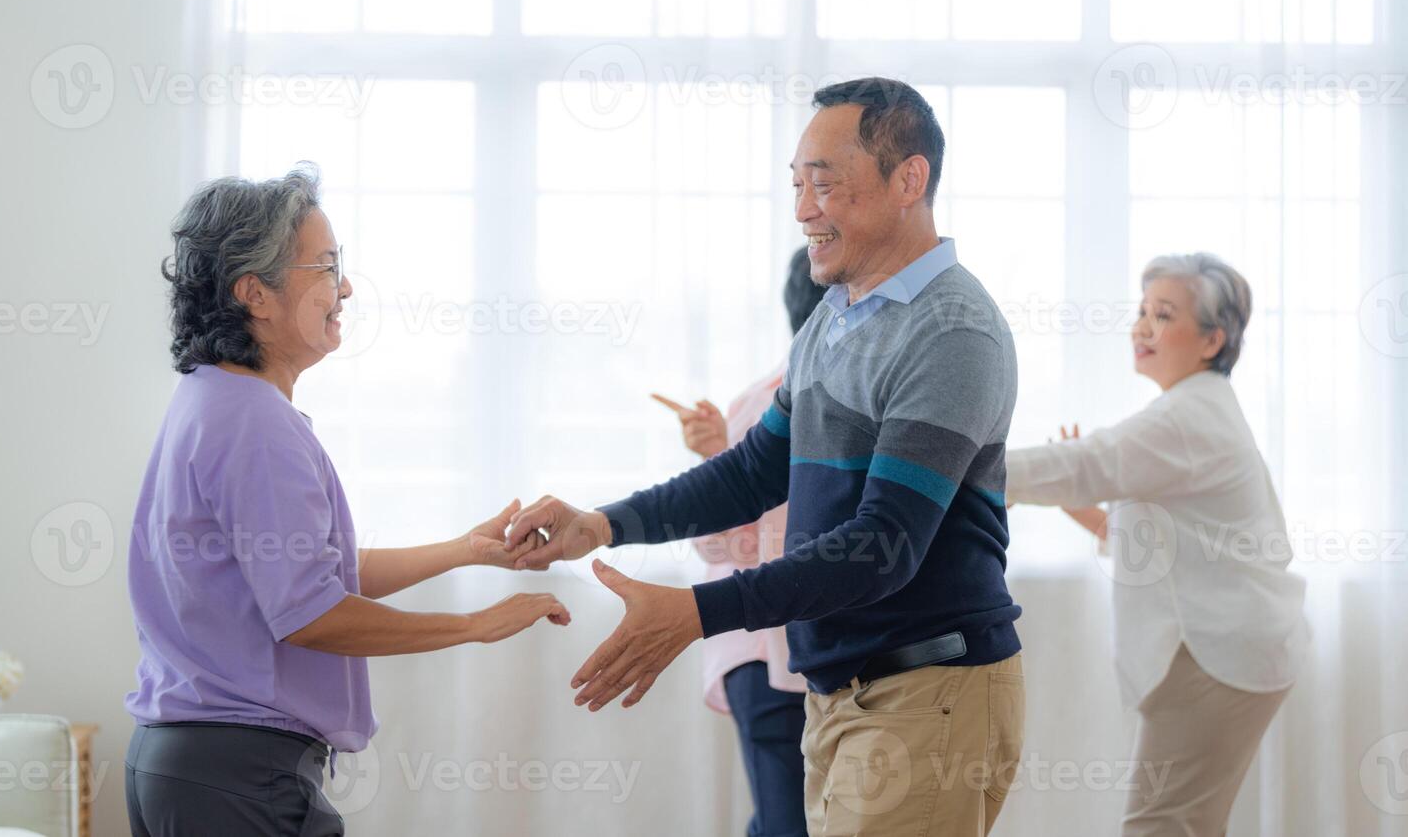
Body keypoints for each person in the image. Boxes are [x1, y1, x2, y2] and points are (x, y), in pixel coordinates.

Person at [506, 77, 1026, 835]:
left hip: (926, 690)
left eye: (825, 184)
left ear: (908, 179)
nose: (803, 209)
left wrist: (697, 612)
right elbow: (753, 472)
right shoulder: (832, 322)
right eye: (796, 185)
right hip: (842, 694)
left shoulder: (951, 333)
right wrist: (602, 523)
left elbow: (885, 546)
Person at [123, 165, 569, 837]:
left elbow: (297, 573)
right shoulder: (254, 423)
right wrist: (474, 626)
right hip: (237, 775)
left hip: (187, 765)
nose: (347, 288)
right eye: (327, 268)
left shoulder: (211, 398)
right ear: (256, 295)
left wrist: (462, 552)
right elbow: (311, 613)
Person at [1004, 252, 1309, 836]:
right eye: (1142, 311)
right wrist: (1075, 502)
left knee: (1161, 824)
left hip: (1218, 654)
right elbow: (1155, 543)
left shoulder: (1190, 416)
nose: (1142, 326)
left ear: (1211, 339)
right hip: (1231, 650)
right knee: (1184, 822)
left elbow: (1088, 462)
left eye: (1163, 314)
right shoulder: (1192, 410)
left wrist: (968, 471)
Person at [651, 247, 824, 837]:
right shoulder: (762, 405)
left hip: (811, 649)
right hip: (761, 650)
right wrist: (718, 458)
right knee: (787, 823)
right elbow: (728, 550)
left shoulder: (861, 397)